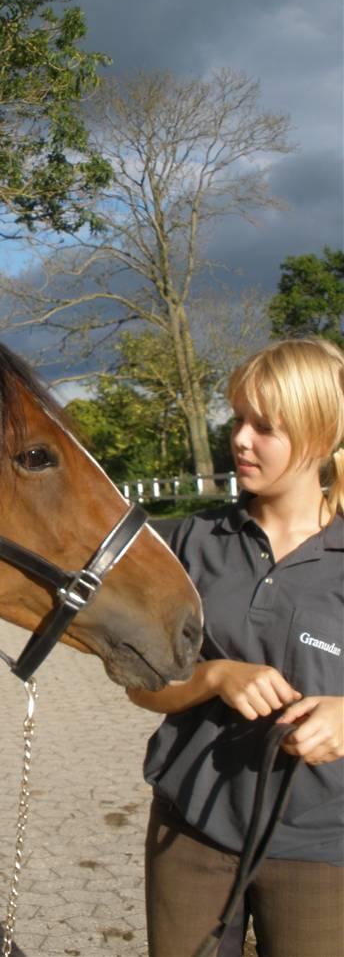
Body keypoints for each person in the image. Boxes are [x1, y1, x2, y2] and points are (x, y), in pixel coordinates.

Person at [128, 338, 344, 957]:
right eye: (238, 420)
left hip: (320, 852)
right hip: (191, 832)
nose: (241, 439)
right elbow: (141, 684)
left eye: (265, 427)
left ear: (320, 437)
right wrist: (216, 676)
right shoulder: (190, 544)